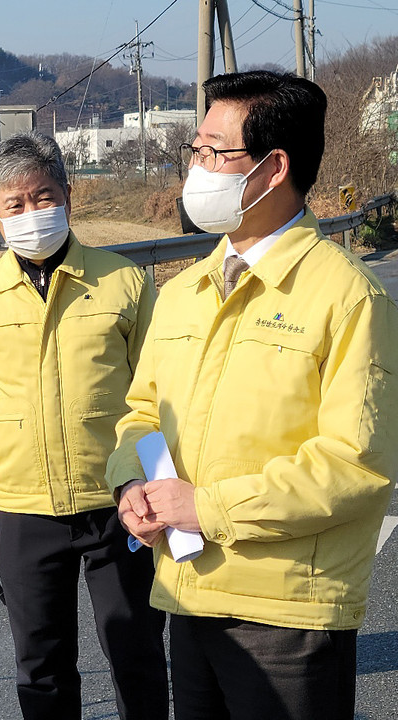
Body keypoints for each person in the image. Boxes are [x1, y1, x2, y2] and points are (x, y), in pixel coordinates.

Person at [107, 70, 398, 720]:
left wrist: (206, 507)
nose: (199, 167)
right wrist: (130, 486)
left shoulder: (347, 297)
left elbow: (355, 466)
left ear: (273, 168)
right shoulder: (186, 291)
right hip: (187, 594)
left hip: (288, 613)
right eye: (196, 151)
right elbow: (140, 414)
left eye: (215, 152)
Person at [0, 131, 167, 720]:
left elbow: (163, 393)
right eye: (15, 204)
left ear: (69, 194)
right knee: (40, 664)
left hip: (121, 501)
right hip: (25, 509)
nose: (32, 213)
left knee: (136, 650)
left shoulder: (124, 281)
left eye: (43, 196)